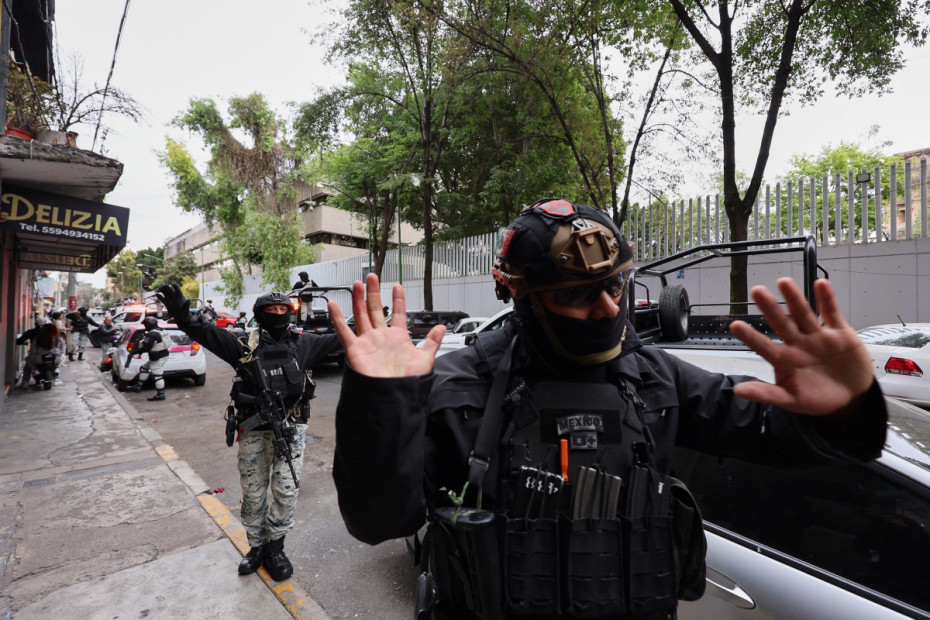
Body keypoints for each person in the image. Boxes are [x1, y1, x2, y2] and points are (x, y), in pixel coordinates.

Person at [328, 198, 887, 620]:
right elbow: (379, 522)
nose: (606, 308)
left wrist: (846, 406)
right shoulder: (461, 387)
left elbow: (783, 436)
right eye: (576, 294)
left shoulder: (655, 377)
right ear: (520, 295)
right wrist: (381, 400)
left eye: (615, 285)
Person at [155, 283, 342, 581]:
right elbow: (204, 332)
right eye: (271, 310)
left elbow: (344, 337)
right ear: (259, 314)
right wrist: (184, 317)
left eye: (283, 309)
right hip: (253, 429)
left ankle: (276, 548)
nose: (278, 314)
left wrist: (372, 328)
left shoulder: (304, 343)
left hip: (290, 430)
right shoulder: (242, 344)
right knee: (253, 494)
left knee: (286, 491)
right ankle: (256, 547)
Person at [126, 317, 172, 401]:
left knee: (157, 375)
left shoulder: (152, 334)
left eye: (145, 325)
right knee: (144, 368)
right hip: (163, 354)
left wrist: (135, 352)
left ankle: (161, 394)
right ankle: (138, 386)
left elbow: (146, 347)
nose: (145, 327)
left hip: (157, 357)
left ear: (149, 325)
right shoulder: (162, 330)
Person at [15, 322, 65, 388]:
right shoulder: (59, 339)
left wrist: (33, 355)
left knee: (27, 363)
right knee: (62, 358)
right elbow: (62, 350)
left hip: (40, 359)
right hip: (55, 359)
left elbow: (33, 351)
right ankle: (57, 371)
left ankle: (25, 382)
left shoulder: (37, 338)